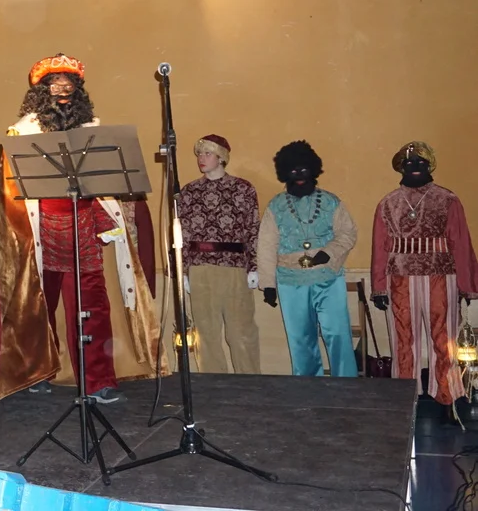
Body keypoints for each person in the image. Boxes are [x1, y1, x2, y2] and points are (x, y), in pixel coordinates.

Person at [0, 54, 165, 403]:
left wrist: (105, 220)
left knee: (93, 307)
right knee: (35, 308)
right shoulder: (21, 133)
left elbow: (104, 183)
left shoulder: (93, 133)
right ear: (41, 90)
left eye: (69, 82)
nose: (62, 88)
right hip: (39, 231)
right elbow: (10, 191)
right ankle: (36, 372)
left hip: (83, 228)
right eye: (54, 82)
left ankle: (97, 380)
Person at [371, 142, 478, 410]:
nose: (415, 168)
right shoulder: (388, 203)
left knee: (444, 338)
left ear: (430, 166)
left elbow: (460, 242)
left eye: (421, 163)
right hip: (400, 278)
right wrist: (379, 287)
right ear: (401, 168)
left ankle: (447, 394)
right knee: (403, 339)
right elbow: (380, 247)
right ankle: (404, 395)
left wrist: (467, 285)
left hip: (440, 276)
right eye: (409, 164)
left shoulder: (447, 200)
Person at [257, 140, 358, 377]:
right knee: (300, 340)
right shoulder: (276, 206)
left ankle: (348, 388)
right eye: (293, 171)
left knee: (338, 335)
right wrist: (268, 284)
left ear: (313, 170)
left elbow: (348, 233)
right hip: (290, 281)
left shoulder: (331, 201)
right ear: (285, 173)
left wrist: (328, 252)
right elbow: (266, 246)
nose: (299, 176)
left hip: (328, 278)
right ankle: (307, 390)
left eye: (304, 170)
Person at [178, 134, 261, 374]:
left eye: (207, 153)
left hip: (234, 267)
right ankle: (212, 383)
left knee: (241, 331)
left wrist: (254, 266)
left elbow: (252, 228)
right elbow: (182, 234)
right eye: (199, 154)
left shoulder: (243, 189)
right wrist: (183, 270)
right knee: (205, 333)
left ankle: (251, 381)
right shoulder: (189, 191)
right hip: (200, 268)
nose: (201, 158)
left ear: (221, 157)